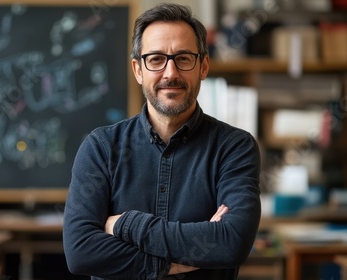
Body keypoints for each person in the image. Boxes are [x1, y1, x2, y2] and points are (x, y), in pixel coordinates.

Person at [63, 3, 261, 279]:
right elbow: (80, 251)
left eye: (183, 58)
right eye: (156, 59)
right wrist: (168, 266)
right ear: (138, 69)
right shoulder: (101, 148)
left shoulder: (234, 148)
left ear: (203, 66)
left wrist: (126, 224)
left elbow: (231, 243)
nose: (170, 73)